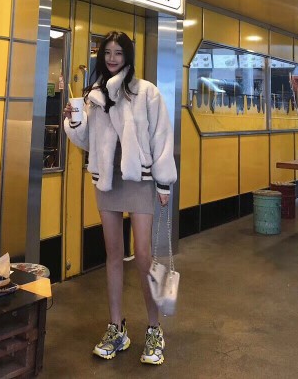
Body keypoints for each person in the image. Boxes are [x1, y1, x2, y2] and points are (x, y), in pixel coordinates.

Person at [63, 31, 177, 365]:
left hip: (140, 180)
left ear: (127, 56)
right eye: (107, 53)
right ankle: (117, 327)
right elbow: (87, 141)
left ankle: (154, 328)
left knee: (143, 256)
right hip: (106, 180)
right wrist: (74, 121)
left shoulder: (146, 92)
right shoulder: (94, 96)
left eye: (118, 52)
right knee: (113, 255)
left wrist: (164, 183)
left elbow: (161, 136)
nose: (112, 58)